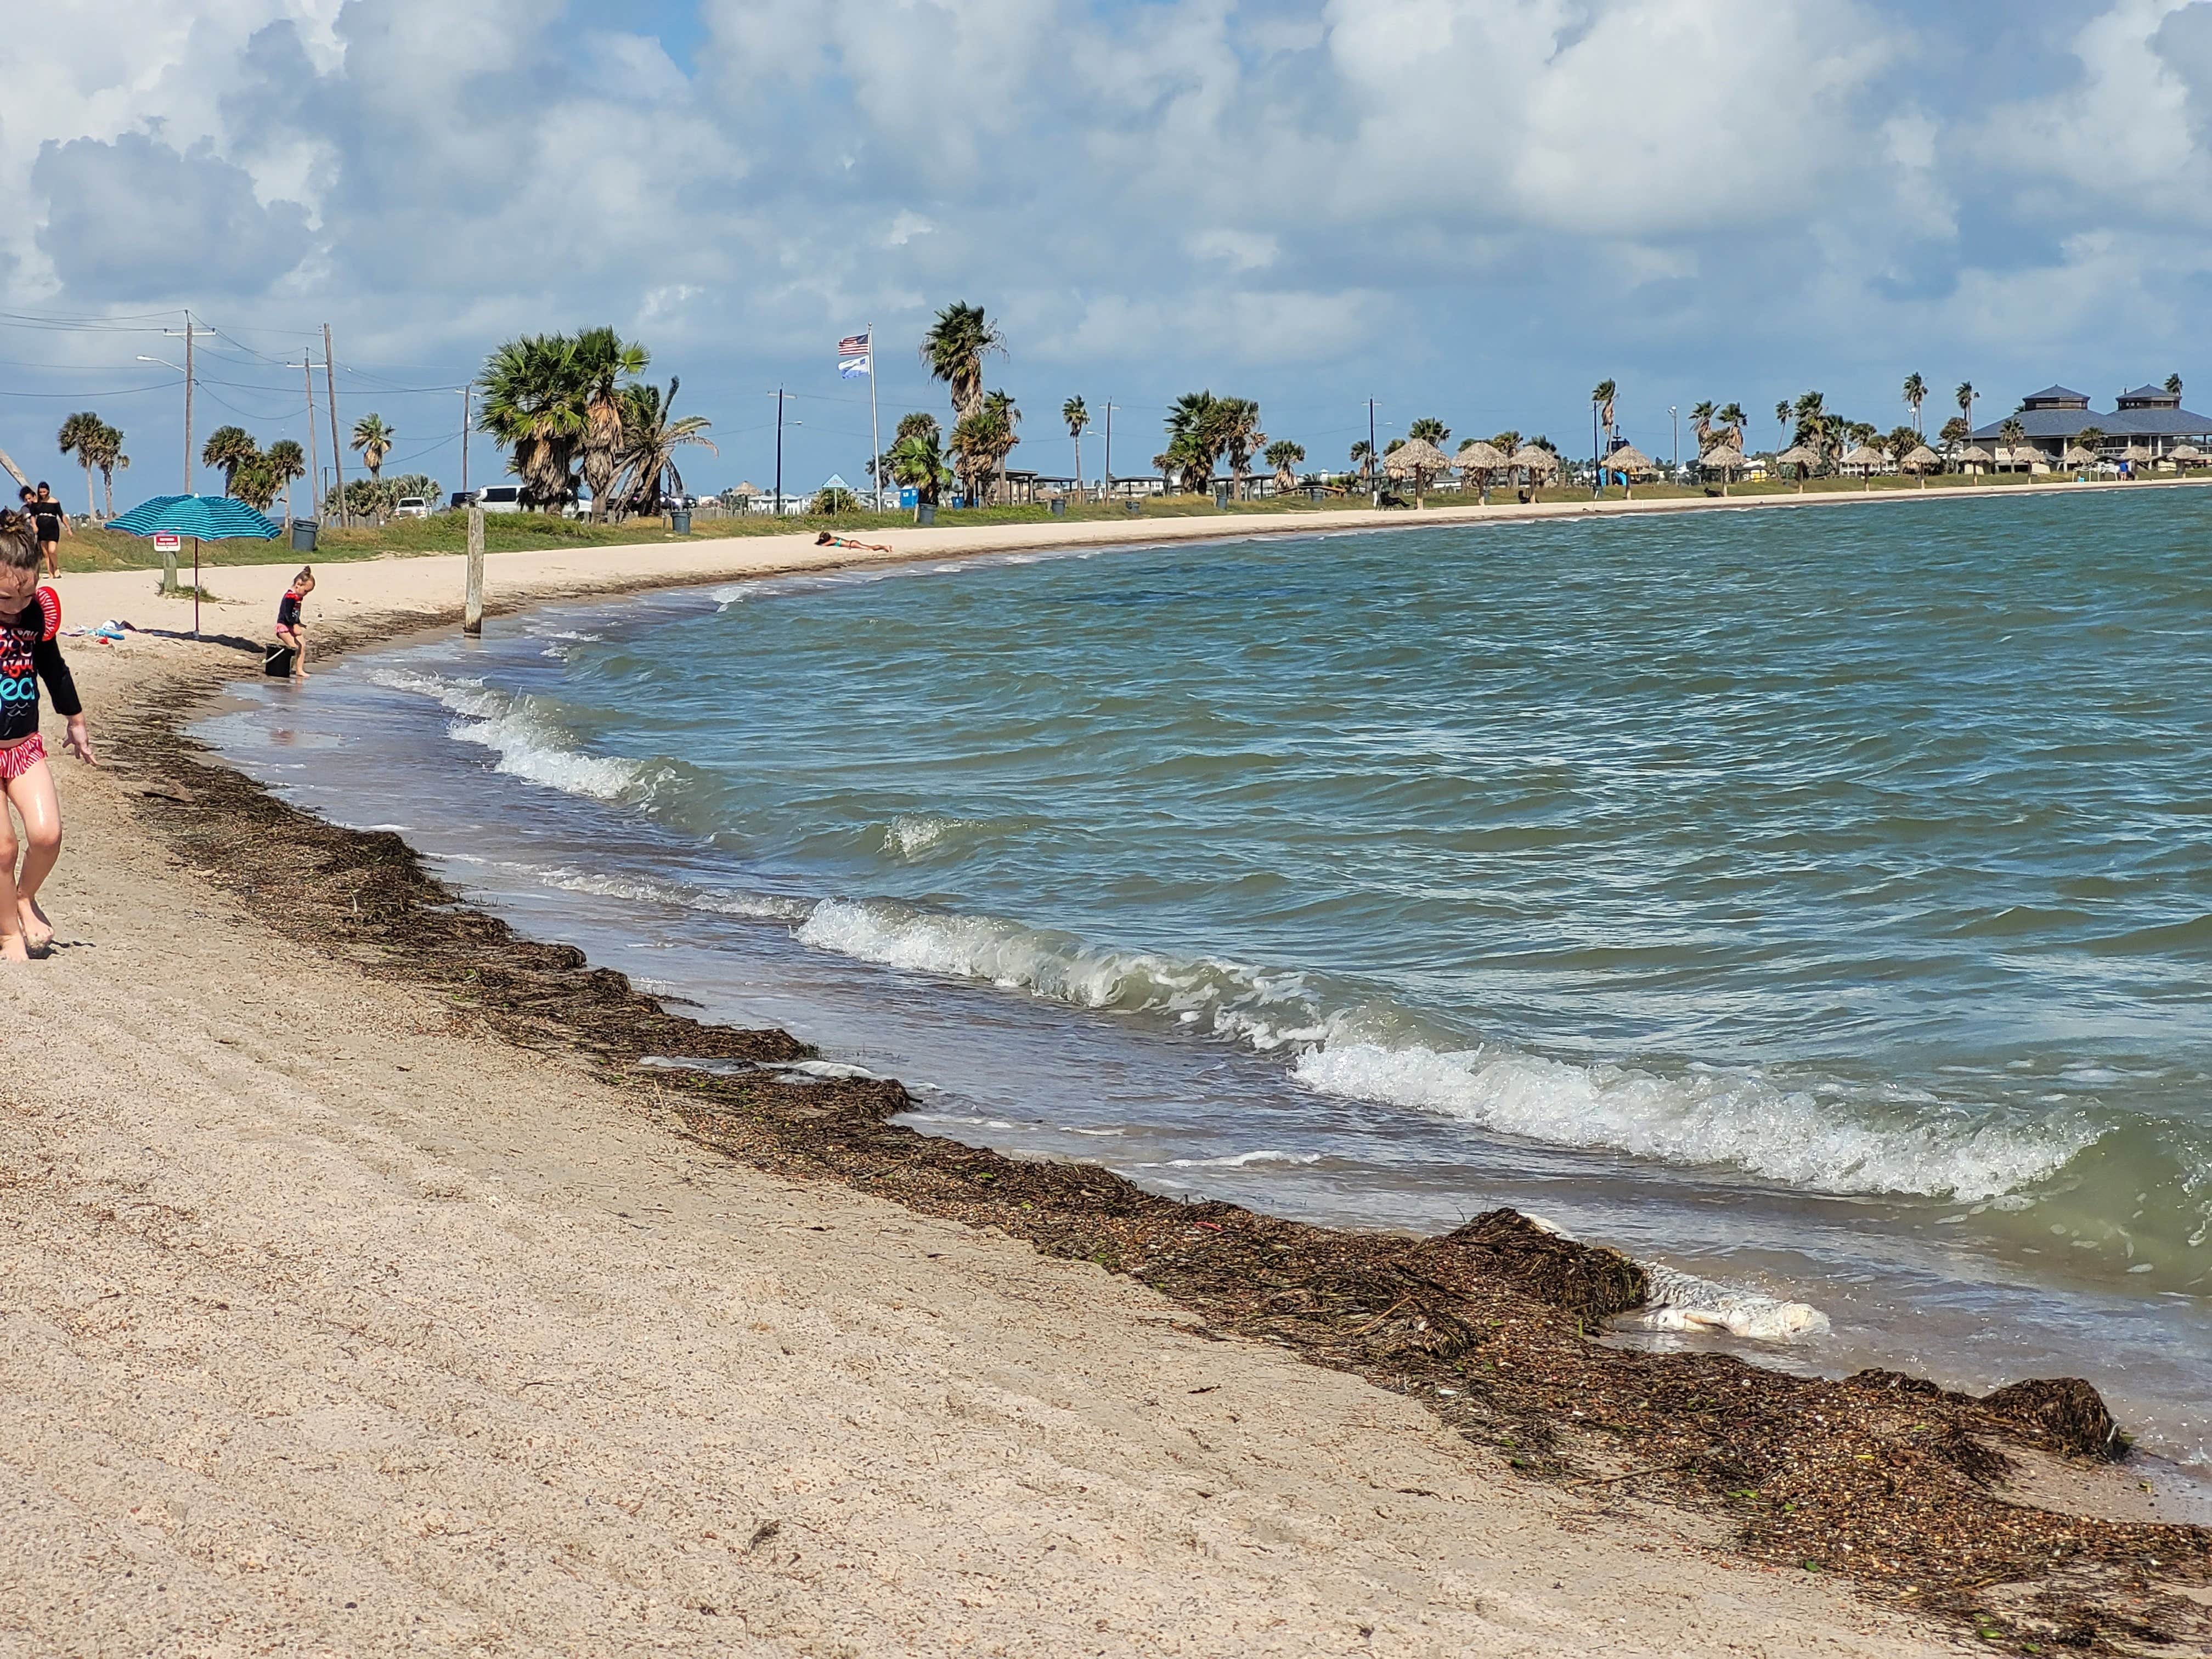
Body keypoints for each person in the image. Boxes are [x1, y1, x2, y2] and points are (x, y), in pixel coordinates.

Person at [0, 510, 94, 960]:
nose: (17, 608)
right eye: (5, 600)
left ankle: (23, 896)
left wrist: (76, 722)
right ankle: (7, 935)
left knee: (46, 835)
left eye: (25, 596)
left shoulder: (37, 616)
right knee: (3, 846)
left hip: (23, 747)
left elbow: (54, 671)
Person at [272, 567, 314, 679]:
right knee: (294, 646)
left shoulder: (297, 597)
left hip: (292, 625)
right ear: (298, 585)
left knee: (303, 646)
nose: (306, 594)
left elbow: (295, 614)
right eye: (306, 591)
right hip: (284, 626)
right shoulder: (290, 597)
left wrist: (299, 623)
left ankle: (299, 669)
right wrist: (294, 625)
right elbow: (287, 614)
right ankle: (285, 667)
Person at [29, 484, 67, 579]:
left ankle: (56, 568)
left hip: (53, 528)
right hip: (41, 529)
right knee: (45, 553)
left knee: (52, 550)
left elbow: (61, 515)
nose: (42, 494)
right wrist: (34, 525)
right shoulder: (36, 503)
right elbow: (33, 515)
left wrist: (68, 528)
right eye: (41, 492)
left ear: (48, 491)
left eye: (44, 492)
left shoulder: (55, 502)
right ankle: (50, 573)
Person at [814, 531, 892, 553]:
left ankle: (885, 547)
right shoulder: (834, 538)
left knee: (870, 548)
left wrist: (820, 542)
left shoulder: (832, 540)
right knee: (870, 547)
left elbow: (824, 545)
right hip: (852, 544)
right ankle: (885, 547)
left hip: (852, 544)